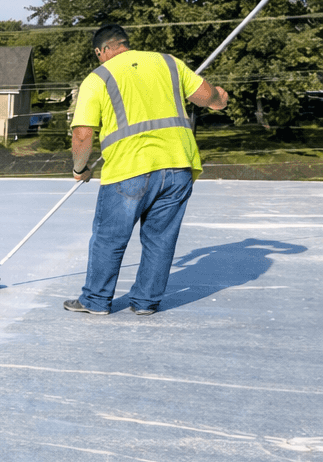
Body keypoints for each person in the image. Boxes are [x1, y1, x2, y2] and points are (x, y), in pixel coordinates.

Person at [65, 23, 229, 316]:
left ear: (101, 51)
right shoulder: (169, 63)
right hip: (178, 164)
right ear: (125, 44)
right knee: (160, 238)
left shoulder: (98, 77)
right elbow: (207, 98)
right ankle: (145, 302)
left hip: (130, 169)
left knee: (110, 237)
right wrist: (220, 98)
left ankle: (96, 300)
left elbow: (82, 134)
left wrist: (80, 168)